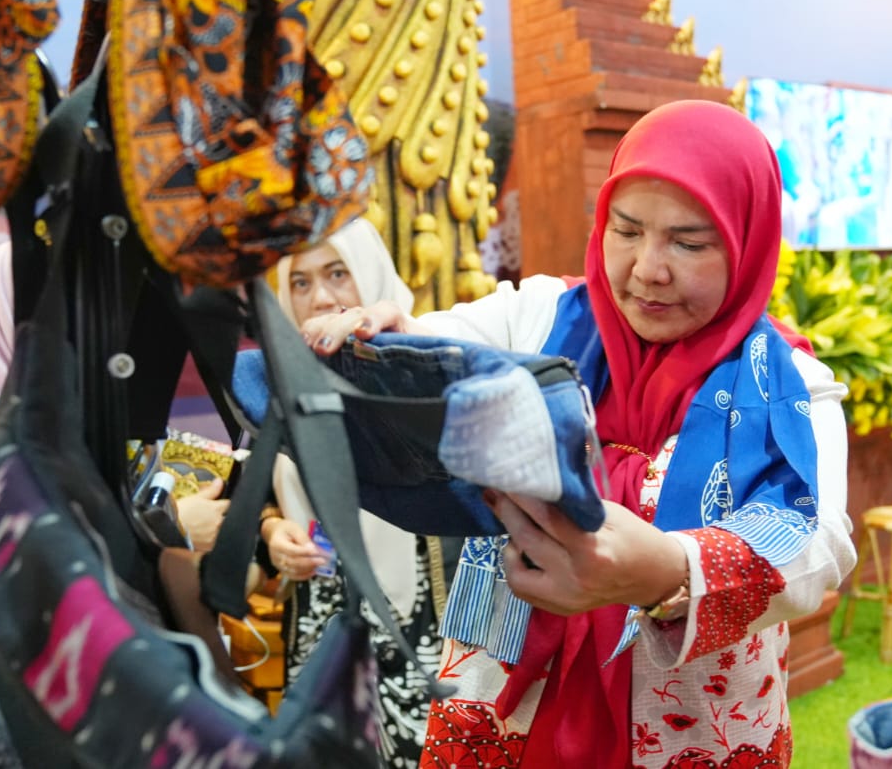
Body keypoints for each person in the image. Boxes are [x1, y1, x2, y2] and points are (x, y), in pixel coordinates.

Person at [298, 100, 858, 767]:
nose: (648, 268)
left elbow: (817, 539)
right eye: (626, 230)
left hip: (693, 732)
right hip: (501, 711)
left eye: (689, 242)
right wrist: (389, 341)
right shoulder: (539, 321)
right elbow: (443, 354)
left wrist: (666, 570)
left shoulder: (789, 386)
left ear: (747, 242)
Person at [260, 217, 454, 769]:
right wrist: (275, 534)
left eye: (338, 273)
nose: (320, 297)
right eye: (300, 281)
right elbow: (252, 496)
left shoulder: (432, 371)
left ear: (368, 274)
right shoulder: (274, 383)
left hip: (422, 636)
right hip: (323, 639)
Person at [0, 241, 230, 547]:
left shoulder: (92, 404)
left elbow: (216, 471)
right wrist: (170, 526)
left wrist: (267, 525)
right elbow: (15, 553)